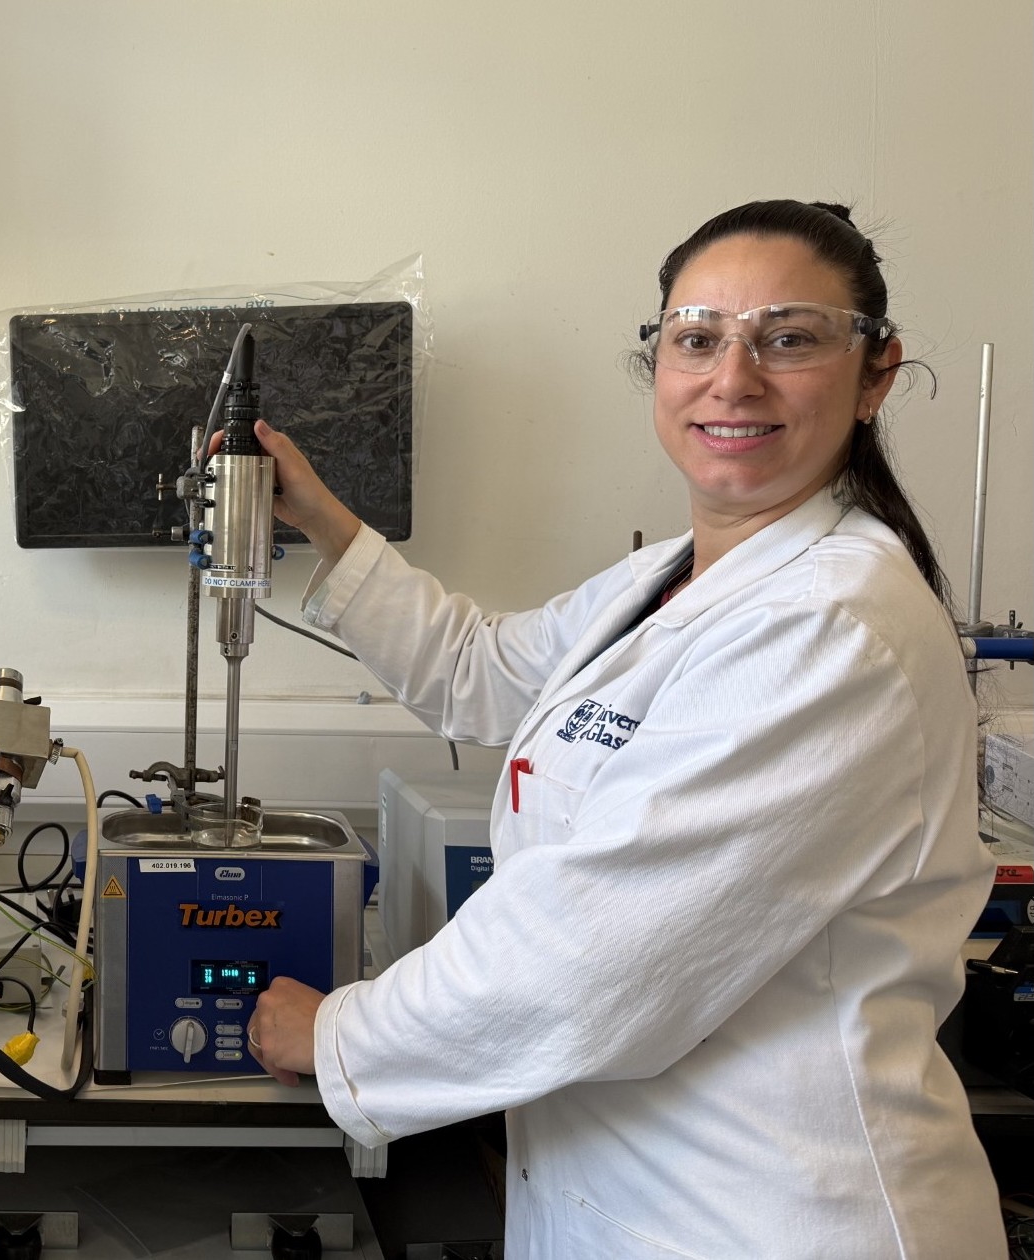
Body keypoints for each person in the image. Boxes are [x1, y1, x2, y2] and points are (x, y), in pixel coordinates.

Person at [244, 201, 1005, 1257]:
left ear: (875, 373)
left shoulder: (830, 625)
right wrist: (320, 517)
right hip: (628, 1197)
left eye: (787, 339)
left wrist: (339, 1036)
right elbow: (483, 668)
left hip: (771, 1212)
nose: (731, 379)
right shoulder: (673, 578)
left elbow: (586, 955)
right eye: (697, 339)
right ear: (657, 364)